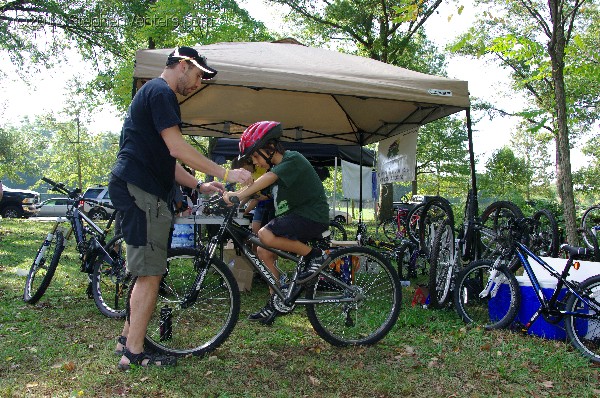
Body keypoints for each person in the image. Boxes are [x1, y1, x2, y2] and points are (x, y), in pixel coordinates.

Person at [109, 46, 252, 370]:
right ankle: (134, 352)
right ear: (184, 65)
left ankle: (127, 338)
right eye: (199, 75)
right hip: (140, 189)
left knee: (148, 271)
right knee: (151, 273)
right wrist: (227, 174)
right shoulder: (161, 92)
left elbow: (167, 159)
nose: (199, 83)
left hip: (141, 186)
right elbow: (177, 146)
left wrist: (199, 185)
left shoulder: (152, 94)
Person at [224, 121, 330, 323]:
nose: (255, 162)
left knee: (264, 234)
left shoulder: (291, 160)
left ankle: (314, 256)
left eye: (255, 155)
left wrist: (237, 194)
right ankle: (276, 302)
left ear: (270, 148)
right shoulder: (278, 169)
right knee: (263, 250)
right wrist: (234, 199)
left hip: (311, 217)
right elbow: (256, 191)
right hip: (295, 219)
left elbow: (265, 180)